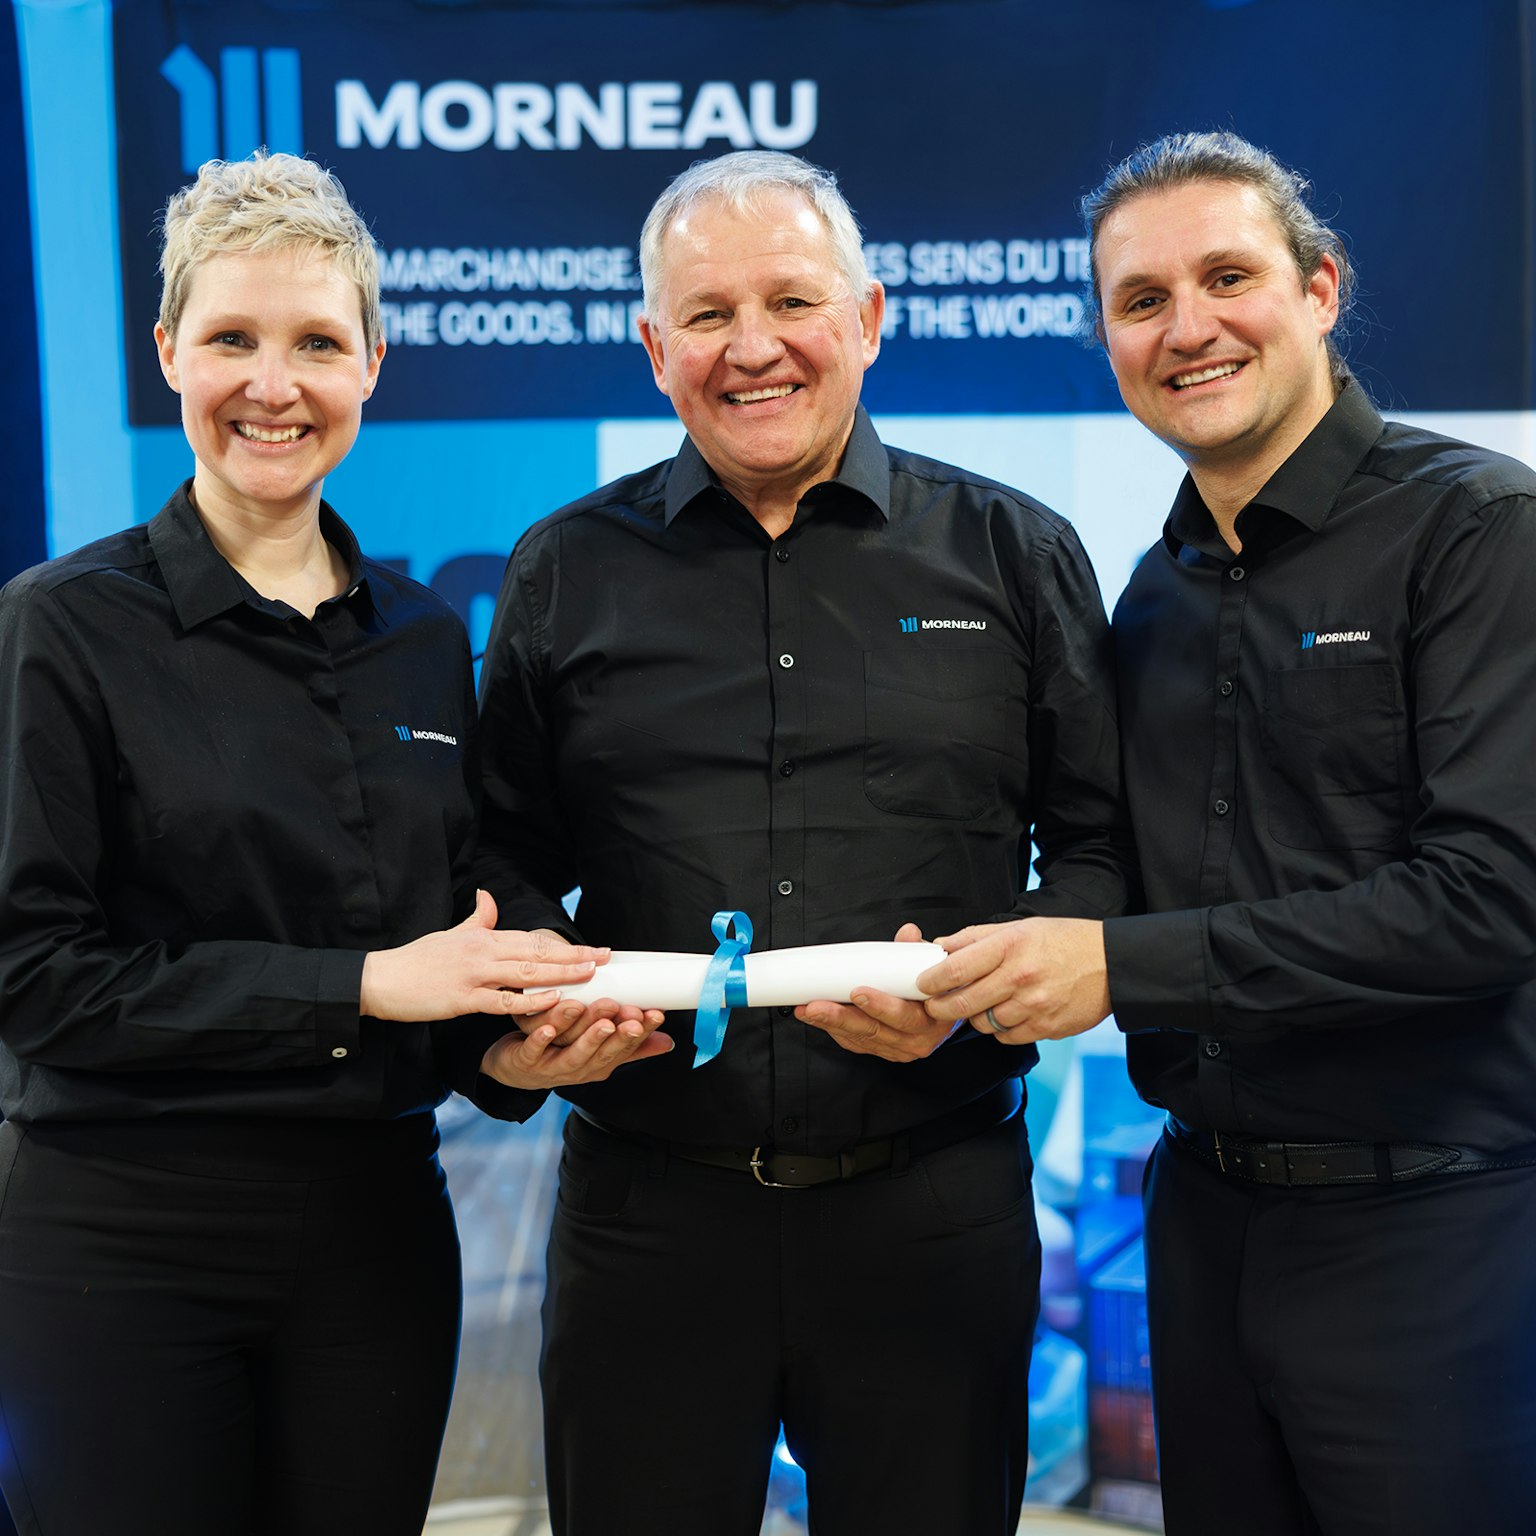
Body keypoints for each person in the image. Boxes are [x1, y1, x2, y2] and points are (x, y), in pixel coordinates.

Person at [0, 150, 668, 1536]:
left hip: (374, 1238)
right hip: (121, 1240)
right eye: (232, 339)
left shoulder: (426, 640)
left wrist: (507, 1050)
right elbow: (38, 978)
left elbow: (445, 951)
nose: (272, 383)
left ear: (374, 362)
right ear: (166, 351)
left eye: (316, 342)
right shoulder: (59, 628)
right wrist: (364, 985)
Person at [475, 149, 1134, 1536]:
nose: (753, 347)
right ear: (655, 349)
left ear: (871, 318)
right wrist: (527, 1018)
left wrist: (979, 1017)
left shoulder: (1016, 555)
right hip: (648, 1213)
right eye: (707, 315)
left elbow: (1098, 856)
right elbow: (500, 858)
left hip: (932, 1204)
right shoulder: (561, 569)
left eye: (791, 299)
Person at [916, 130, 1536, 1534]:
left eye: (1227, 276)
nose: (1187, 327)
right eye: (1141, 301)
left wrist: (1124, 967)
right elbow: (1112, 877)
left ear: (1320, 288)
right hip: (1203, 1224)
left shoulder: (1480, 532)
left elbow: (1495, 899)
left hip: (1437, 1232)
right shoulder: (1155, 591)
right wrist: (935, 977)